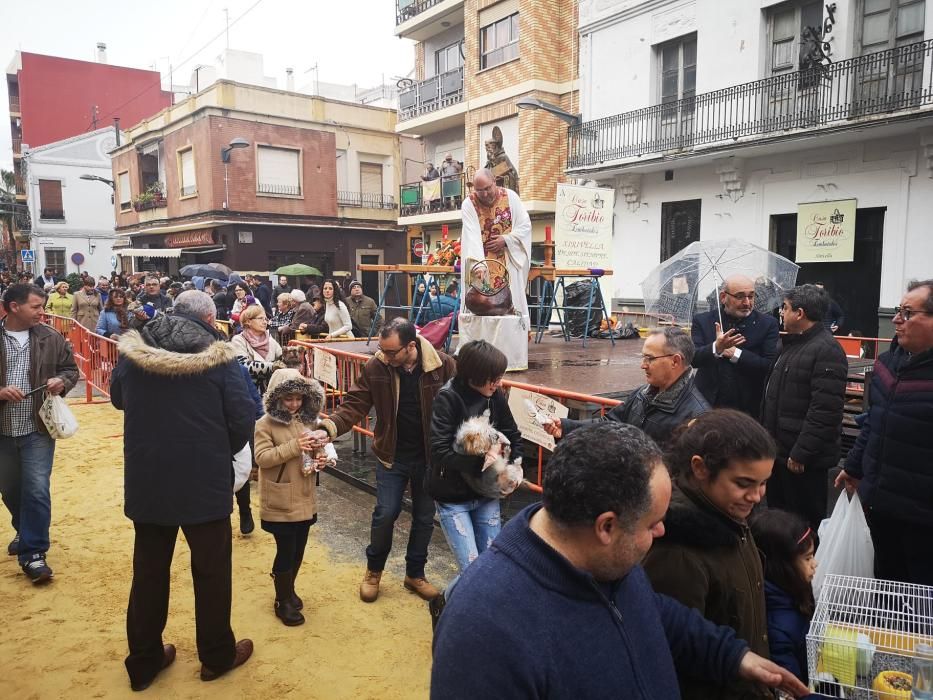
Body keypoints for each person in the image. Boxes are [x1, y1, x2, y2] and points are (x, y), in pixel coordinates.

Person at [431, 421, 808, 699]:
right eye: (653, 524)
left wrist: (733, 655)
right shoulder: (483, 632)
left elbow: (653, 611)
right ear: (606, 526)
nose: (662, 533)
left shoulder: (610, 565)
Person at [110, 290, 255, 691]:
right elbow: (242, 418)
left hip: (149, 475)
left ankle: (143, 660)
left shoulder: (134, 349)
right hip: (203, 479)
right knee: (211, 571)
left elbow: (118, 398)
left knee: (149, 571)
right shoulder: (220, 356)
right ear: (209, 317)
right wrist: (216, 449)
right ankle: (215, 655)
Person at [313, 318, 456, 603]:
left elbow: (461, 403)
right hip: (392, 455)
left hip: (430, 458)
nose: (385, 356)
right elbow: (354, 406)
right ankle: (373, 571)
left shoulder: (443, 365)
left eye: (391, 352)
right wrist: (326, 429)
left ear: (411, 346)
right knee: (385, 513)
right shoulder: (377, 366)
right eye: (382, 349)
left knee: (425, 518)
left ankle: (415, 574)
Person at [643, 410, 776, 699]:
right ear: (700, 468)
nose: (756, 496)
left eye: (763, 483)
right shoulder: (677, 549)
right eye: (743, 484)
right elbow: (675, 653)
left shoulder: (728, 514)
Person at [836, 279, 933, 585]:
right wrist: (852, 467)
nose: (896, 320)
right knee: (884, 588)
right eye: (896, 311)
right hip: (880, 505)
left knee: (920, 603)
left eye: (907, 312)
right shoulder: (886, 364)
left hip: (922, 519)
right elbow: (874, 421)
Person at [0, 284, 79, 583]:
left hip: (37, 429)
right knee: (9, 489)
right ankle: (24, 528)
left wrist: (61, 381)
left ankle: (33, 554)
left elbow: (71, 370)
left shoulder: (51, 336)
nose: (41, 311)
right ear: (13, 306)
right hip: (2, 432)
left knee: (36, 489)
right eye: (35, 306)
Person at [428, 340, 523, 573]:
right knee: (471, 569)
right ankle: (446, 606)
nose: (498, 383)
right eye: (494, 378)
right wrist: (481, 462)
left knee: (491, 564)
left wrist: (515, 466)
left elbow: (512, 432)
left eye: (500, 377)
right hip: (452, 495)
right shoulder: (448, 397)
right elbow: (439, 449)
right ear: (475, 375)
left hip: (486, 493)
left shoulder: (495, 395)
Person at [761, 284, 847, 530]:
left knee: (803, 524)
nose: (781, 314)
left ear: (800, 313)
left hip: (801, 460)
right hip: (780, 452)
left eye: (785, 309)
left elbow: (825, 410)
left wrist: (802, 452)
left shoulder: (826, 350)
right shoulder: (790, 344)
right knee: (779, 521)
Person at [545, 327, 709, 446]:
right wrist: (566, 427)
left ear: (675, 361)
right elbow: (610, 424)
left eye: (650, 359)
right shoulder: (641, 394)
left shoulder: (697, 416)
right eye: (643, 358)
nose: (643, 365)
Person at [254, 368, 330, 627]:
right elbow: (263, 458)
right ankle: (282, 599)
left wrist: (321, 457)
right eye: (289, 399)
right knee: (285, 549)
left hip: (305, 494)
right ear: (276, 398)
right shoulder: (264, 424)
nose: (295, 404)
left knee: (299, 547)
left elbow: (317, 448)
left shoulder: (309, 420)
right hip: (281, 498)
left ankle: (288, 589)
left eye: (299, 398)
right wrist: (294, 446)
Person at [458, 168, 531, 371]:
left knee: (510, 305)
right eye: (479, 190)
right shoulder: (469, 203)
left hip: (507, 259)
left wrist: (505, 240)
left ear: (495, 182)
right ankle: (479, 358)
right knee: (480, 307)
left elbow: (525, 226)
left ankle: (512, 357)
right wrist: (478, 265)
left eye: (488, 188)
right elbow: (472, 234)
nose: (485, 194)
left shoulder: (511, 197)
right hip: (482, 264)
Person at [750, 508, 819, 691]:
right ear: (782, 567)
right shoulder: (776, 627)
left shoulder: (793, 589)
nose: (815, 563)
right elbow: (791, 685)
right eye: (807, 558)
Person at [691, 275, 779, 417]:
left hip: (747, 407)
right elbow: (693, 359)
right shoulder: (703, 321)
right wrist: (716, 348)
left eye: (751, 296)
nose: (747, 303)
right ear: (723, 297)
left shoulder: (767, 324)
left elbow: (770, 366)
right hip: (707, 404)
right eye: (740, 297)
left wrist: (736, 354)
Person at [230, 304, 283, 396]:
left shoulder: (270, 340)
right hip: (248, 392)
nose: (265, 322)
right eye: (260, 318)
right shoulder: (238, 340)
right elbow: (243, 365)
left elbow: (282, 358)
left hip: (271, 392)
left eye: (266, 319)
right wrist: (272, 366)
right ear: (248, 321)